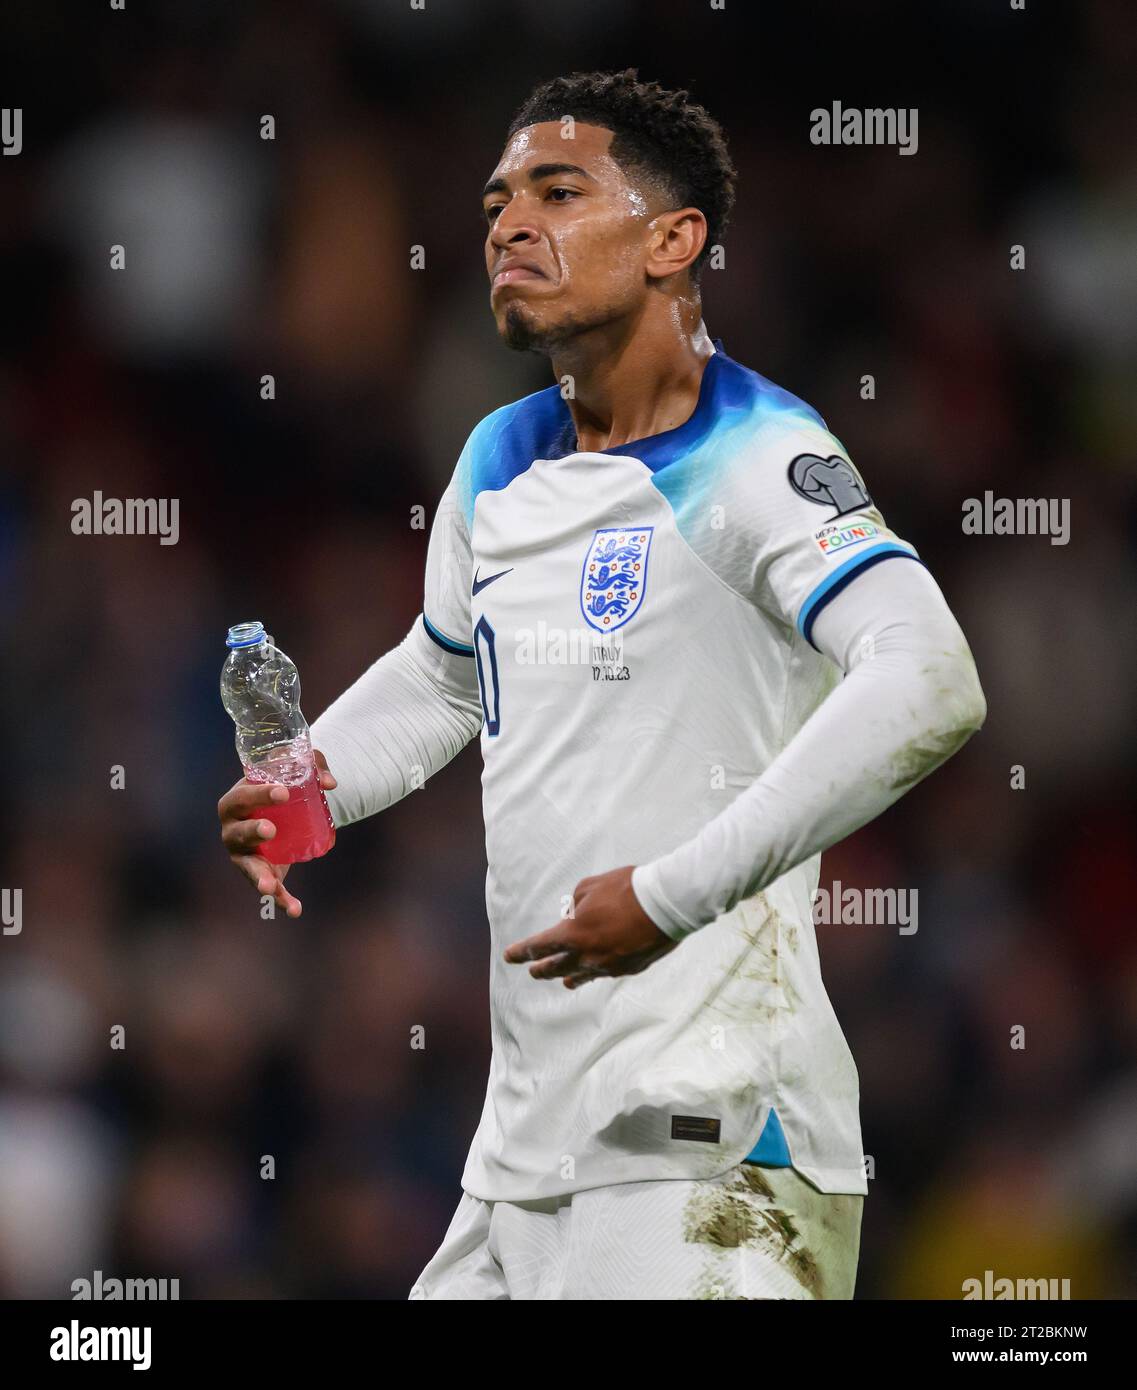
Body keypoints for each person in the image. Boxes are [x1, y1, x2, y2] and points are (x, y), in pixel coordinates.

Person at [218, 68, 987, 1300]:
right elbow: (447, 673)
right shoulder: (500, 454)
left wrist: (676, 893)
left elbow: (933, 679)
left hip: (714, 1146)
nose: (509, 224)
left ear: (675, 239)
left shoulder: (758, 452)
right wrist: (310, 785)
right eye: (494, 203)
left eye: (558, 192)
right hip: (520, 1161)